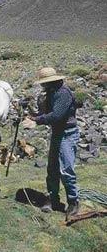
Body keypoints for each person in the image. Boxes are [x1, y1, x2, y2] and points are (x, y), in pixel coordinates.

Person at [28, 67, 80, 220]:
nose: (43, 86)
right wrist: (32, 115)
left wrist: (37, 120)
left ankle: (73, 201)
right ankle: (53, 198)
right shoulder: (51, 93)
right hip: (58, 133)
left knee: (66, 169)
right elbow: (46, 114)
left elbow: (56, 115)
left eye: (44, 83)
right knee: (53, 168)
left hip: (68, 134)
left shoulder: (63, 94)